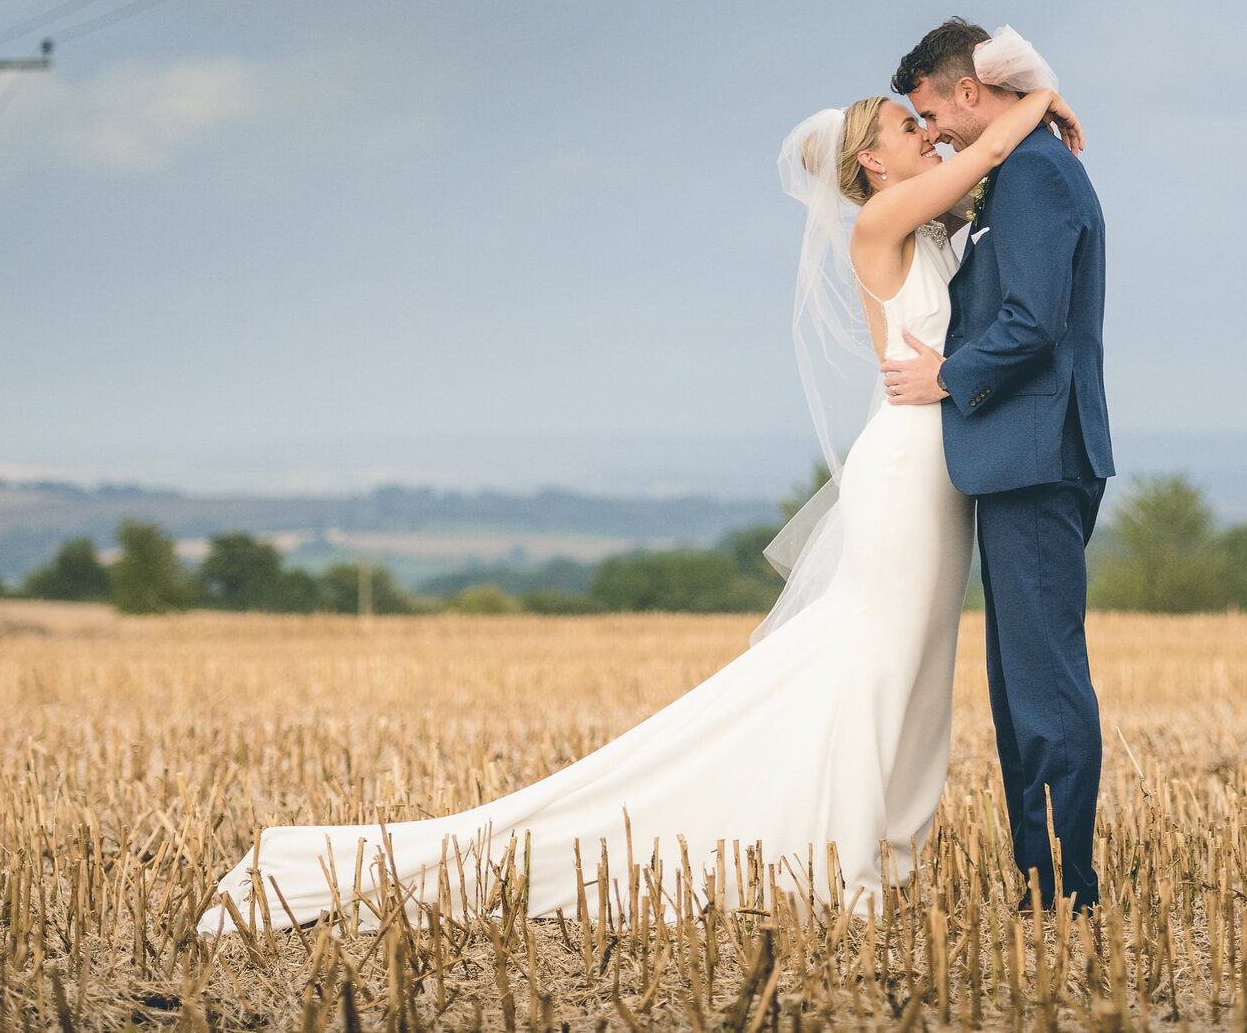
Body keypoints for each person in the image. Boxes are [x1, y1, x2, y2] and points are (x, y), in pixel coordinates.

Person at [195, 59, 1082, 933]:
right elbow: (985, 153)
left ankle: (886, 851)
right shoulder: (884, 218)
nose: (925, 135)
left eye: (922, 123)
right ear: (871, 166)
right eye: (905, 128)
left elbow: (988, 198)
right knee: (874, 656)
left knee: (918, 666)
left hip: (939, 469)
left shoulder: (927, 224)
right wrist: (1039, 96)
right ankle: (840, 859)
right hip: (905, 472)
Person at [881, 18, 1112, 912]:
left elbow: (1034, 321)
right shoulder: (1019, 168)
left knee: (1044, 681)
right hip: (1017, 457)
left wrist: (949, 374)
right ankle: (1041, 874)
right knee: (1018, 684)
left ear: (970, 93)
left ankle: (1067, 885)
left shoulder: (1033, 176)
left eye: (932, 110)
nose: (931, 129)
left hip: (1036, 457)